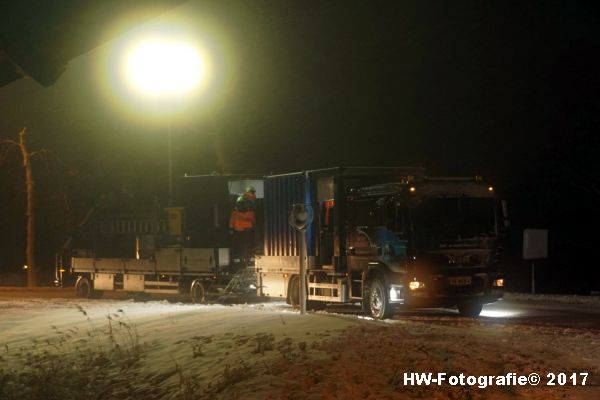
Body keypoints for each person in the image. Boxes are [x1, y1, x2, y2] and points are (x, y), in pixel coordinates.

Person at [229, 186, 257, 269]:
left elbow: (233, 216)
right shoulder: (251, 201)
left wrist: (230, 227)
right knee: (248, 245)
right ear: (252, 192)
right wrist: (254, 224)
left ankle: (242, 261)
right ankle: (247, 261)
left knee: (240, 245)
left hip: (238, 227)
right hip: (248, 226)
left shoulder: (239, 200)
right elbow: (252, 216)